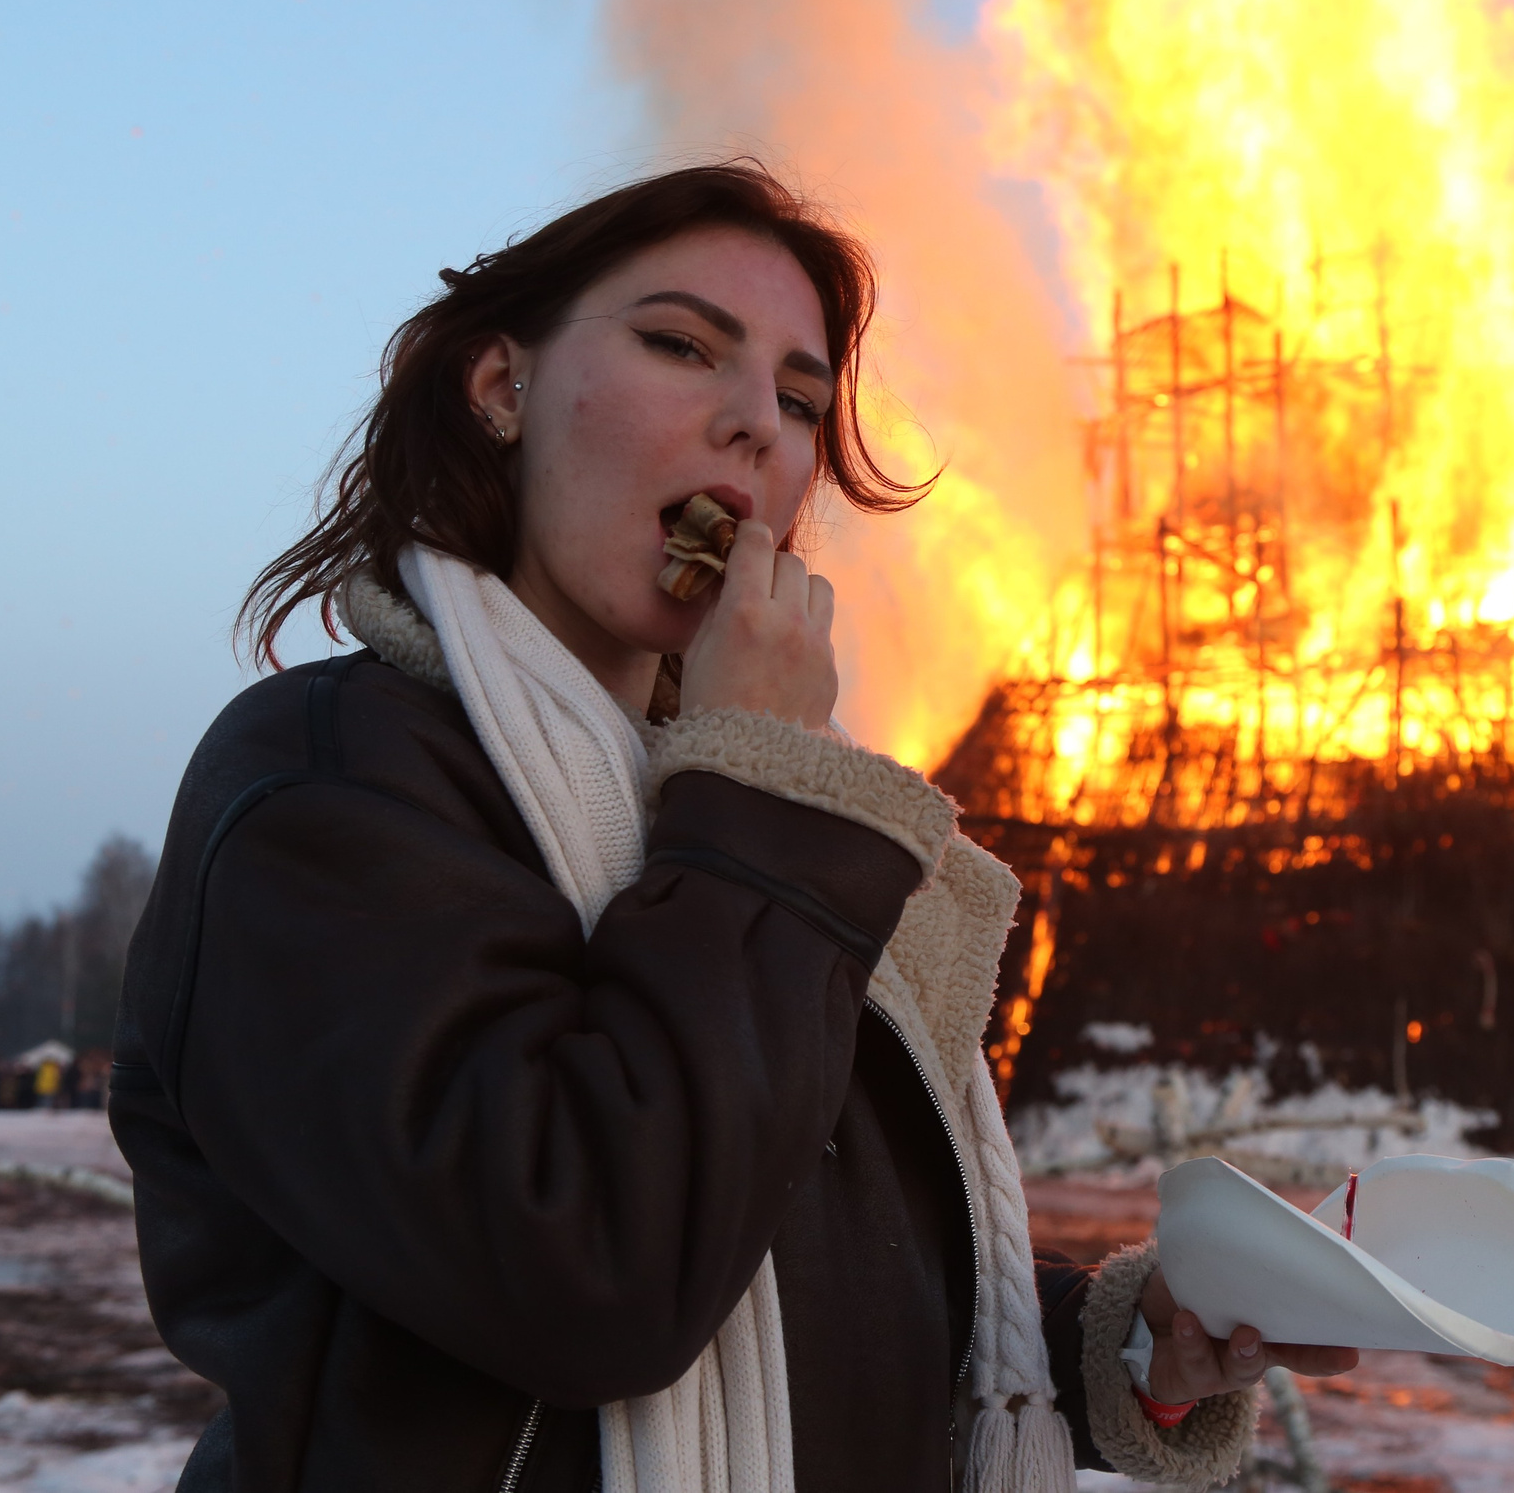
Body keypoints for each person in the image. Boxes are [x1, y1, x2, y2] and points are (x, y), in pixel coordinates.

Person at [110, 162, 1355, 1493]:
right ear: (501, 387)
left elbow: (805, 1268)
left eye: (802, 397)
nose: (760, 426)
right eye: (682, 344)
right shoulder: (332, 788)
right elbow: (596, 1272)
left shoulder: (716, 820)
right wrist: (761, 791)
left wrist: (1131, 1350)